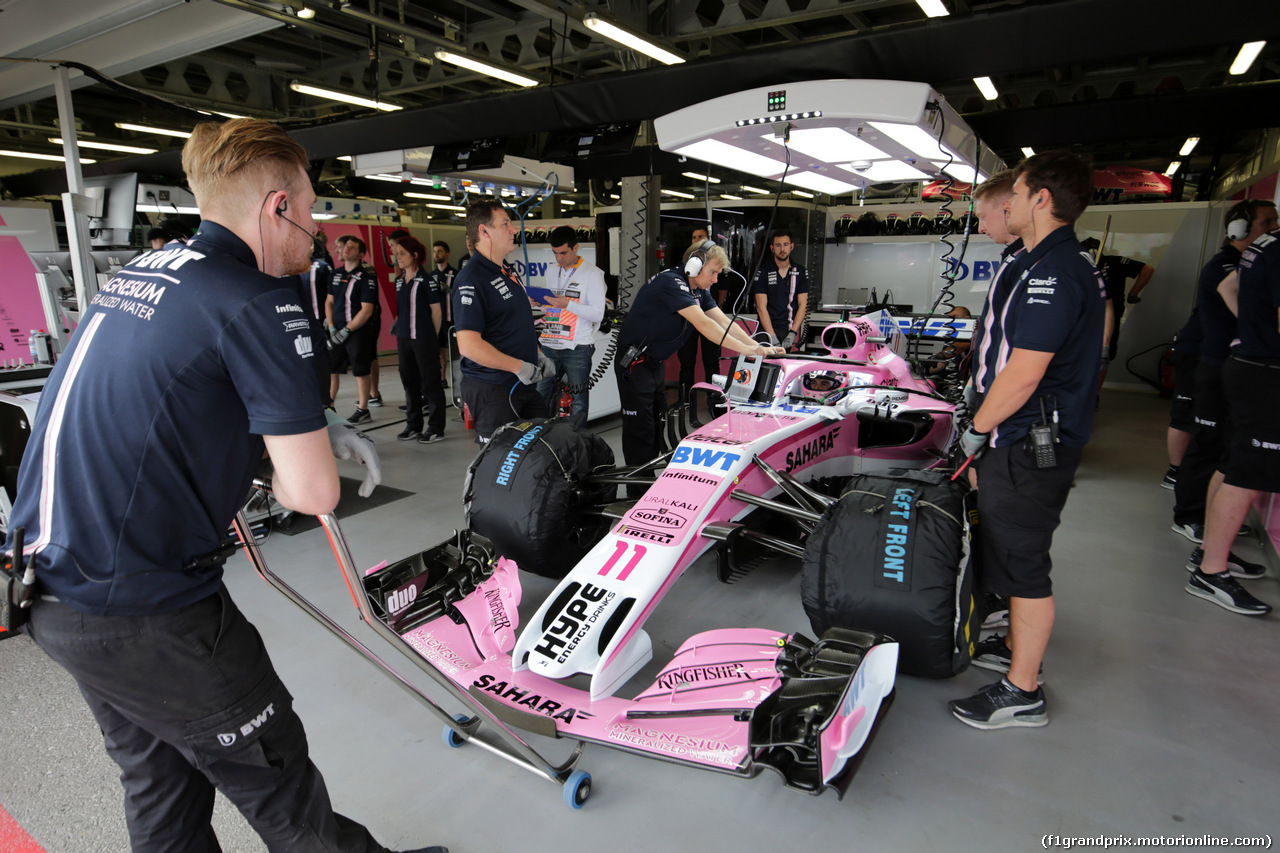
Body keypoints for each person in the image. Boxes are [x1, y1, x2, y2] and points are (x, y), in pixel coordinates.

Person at [0, 118, 439, 853]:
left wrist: (293, 427)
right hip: (152, 610)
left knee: (163, 784)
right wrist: (310, 439)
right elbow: (314, 493)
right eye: (311, 212)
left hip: (52, 590)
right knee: (276, 777)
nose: (315, 233)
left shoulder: (137, 277)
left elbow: (176, 399)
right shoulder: (258, 300)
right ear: (277, 207)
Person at [948, 151, 1107, 730]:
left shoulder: (1056, 272)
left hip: (1027, 436)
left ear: (1041, 198)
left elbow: (1023, 372)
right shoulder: (1043, 263)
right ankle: (1015, 651)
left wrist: (976, 431)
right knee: (1008, 551)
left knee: (1024, 562)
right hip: (1017, 432)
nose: (1007, 202)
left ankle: (1023, 689)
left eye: (1016, 191)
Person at [614, 240, 783, 492]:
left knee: (656, 427)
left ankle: (650, 489)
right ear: (694, 265)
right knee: (640, 433)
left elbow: (723, 321)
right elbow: (703, 324)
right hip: (634, 366)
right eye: (713, 272)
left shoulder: (698, 291)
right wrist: (748, 350)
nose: (715, 279)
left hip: (653, 365)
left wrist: (758, 347)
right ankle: (636, 495)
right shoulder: (671, 283)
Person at [1184, 214, 1280, 616]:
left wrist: (1252, 327)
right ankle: (1211, 570)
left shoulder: (1266, 244)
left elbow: (1231, 287)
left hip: (1249, 361)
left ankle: (1210, 552)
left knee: (1231, 464)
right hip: (1264, 370)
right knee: (1246, 473)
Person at [1170, 200, 1278, 542]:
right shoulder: (1228, 264)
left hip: (1224, 361)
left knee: (1218, 445)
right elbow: (1226, 289)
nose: (1273, 226)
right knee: (1202, 438)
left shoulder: (1249, 257)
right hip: (1210, 359)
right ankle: (1188, 513)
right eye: (1267, 221)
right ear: (1239, 229)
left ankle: (1209, 516)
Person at [452, 199, 553, 443]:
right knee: (499, 467)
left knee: (544, 449)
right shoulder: (472, 278)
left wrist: (537, 354)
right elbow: (468, 345)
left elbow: (515, 323)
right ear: (484, 231)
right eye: (505, 223)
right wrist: (518, 366)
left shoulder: (506, 270)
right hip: (494, 389)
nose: (513, 229)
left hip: (522, 385)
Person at [535, 225, 606, 420]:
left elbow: (598, 314)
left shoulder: (593, 274)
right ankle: (539, 440)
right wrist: (540, 303)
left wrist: (567, 304)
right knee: (541, 396)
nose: (559, 258)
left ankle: (577, 443)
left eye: (563, 253)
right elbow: (552, 309)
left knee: (579, 401)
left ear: (576, 248)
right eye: (555, 253)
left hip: (578, 346)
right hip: (550, 343)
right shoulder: (551, 271)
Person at [393, 235, 447, 444]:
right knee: (409, 382)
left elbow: (436, 312)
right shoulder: (399, 281)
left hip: (423, 338)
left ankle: (435, 428)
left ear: (414, 255)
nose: (398, 257)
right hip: (404, 339)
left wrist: (431, 339)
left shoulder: (427, 281)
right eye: (397, 253)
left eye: (402, 253)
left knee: (430, 384)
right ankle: (413, 425)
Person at [1080, 236, 1155, 384]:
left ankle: (1094, 395)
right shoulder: (1080, 266)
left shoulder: (1115, 262)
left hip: (1110, 316)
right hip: (1085, 317)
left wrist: (1134, 292)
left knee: (1104, 355)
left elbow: (1147, 269)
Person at [326, 236, 380, 423]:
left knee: (360, 370)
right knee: (332, 368)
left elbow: (366, 311)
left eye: (352, 247)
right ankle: (329, 405)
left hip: (358, 332)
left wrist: (346, 331)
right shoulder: (335, 274)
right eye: (346, 246)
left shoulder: (366, 276)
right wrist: (332, 326)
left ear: (361, 254)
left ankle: (363, 409)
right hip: (337, 330)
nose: (346, 249)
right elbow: (329, 302)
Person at [676, 225, 724, 392]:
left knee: (711, 362)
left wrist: (751, 346)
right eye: (694, 237)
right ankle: (686, 402)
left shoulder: (708, 286)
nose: (697, 240)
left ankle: (715, 401)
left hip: (710, 318)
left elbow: (724, 321)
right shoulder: (679, 277)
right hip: (689, 322)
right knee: (686, 361)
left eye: (701, 237)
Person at [752, 229, 809, 352]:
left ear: (791, 246)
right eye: (778, 245)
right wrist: (772, 336)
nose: (782, 249)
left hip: (787, 331)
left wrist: (793, 332)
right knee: (765, 369)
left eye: (785, 244)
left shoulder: (801, 271)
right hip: (765, 332)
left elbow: (803, 304)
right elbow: (761, 307)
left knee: (783, 369)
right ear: (772, 248)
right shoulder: (763, 271)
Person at [431, 240, 457, 385]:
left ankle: (457, 378)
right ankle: (442, 378)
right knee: (439, 350)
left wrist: (450, 291)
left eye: (439, 251)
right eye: (434, 251)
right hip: (437, 320)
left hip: (452, 319)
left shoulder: (455, 274)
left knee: (455, 351)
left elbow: (461, 295)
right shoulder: (431, 275)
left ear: (447, 254)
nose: (436, 254)